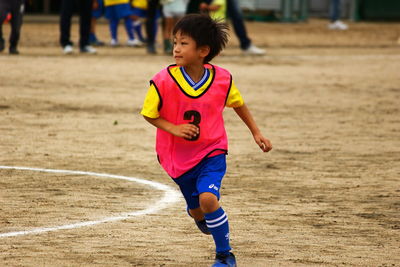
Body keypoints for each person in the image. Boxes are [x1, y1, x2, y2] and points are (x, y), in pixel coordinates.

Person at [140, 14, 272, 266]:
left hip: (212, 149)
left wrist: (256, 132)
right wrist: (174, 128)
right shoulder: (163, 80)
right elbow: (149, 114)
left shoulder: (222, 79)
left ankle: (225, 255)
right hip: (176, 157)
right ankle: (201, 217)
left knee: (209, 199)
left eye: (183, 43)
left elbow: (238, 104)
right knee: (197, 209)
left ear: (203, 50)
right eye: (174, 42)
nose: (176, 48)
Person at [197, 0, 266, 55]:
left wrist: (206, 6)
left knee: (236, 16)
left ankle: (246, 45)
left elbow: (215, 7)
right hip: (216, 19)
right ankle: (199, 46)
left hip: (218, 20)